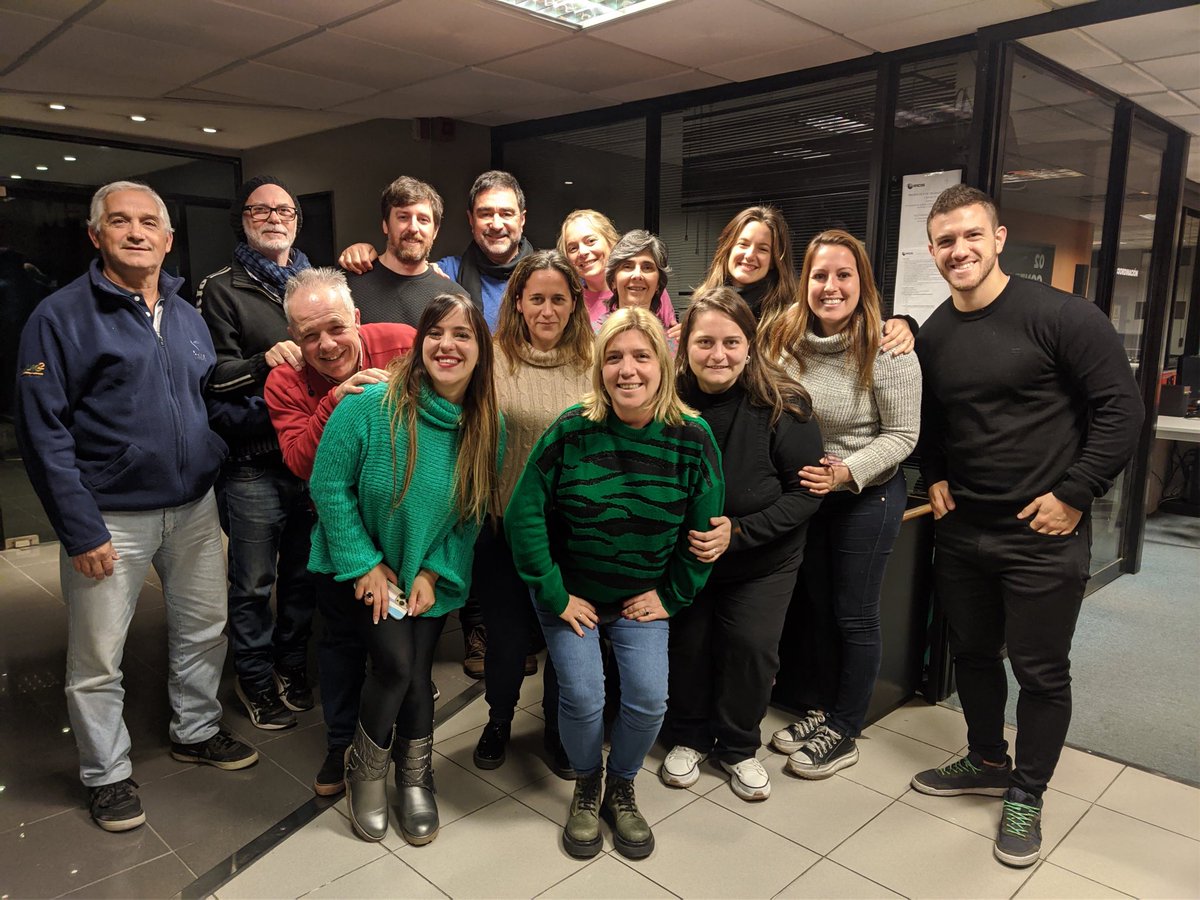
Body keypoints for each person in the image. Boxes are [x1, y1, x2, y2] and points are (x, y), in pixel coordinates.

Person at [14, 181, 257, 833]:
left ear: (168, 239)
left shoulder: (184, 313)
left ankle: (197, 729)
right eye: (119, 222)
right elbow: (44, 435)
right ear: (96, 236)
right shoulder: (60, 317)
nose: (136, 232)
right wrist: (78, 525)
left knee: (205, 626)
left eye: (149, 222)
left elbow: (208, 400)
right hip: (110, 517)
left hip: (195, 508)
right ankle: (107, 774)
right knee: (98, 655)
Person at [910, 185, 1142, 867]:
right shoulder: (936, 333)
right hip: (963, 531)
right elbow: (934, 422)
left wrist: (1074, 494)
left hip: (1043, 534)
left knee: (1042, 672)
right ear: (932, 251)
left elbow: (1121, 413)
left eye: (972, 236)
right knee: (974, 656)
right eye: (947, 241)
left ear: (999, 237)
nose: (960, 250)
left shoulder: (1064, 317)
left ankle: (1027, 792)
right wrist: (935, 475)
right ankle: (986, 758)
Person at [505, 307, 724, 861]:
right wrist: (553, 592)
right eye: (614, 357)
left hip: (640, 600)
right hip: (571, 594)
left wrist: (672, 594)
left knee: (649, 701)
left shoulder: (692, 437)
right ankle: (587, 783)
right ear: (600, 367)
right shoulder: (572, 428)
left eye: (641, 356)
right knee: (582, 697)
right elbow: (523, 514)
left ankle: (621, 785)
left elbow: (704, 532)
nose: (628, 369)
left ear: (664, 363)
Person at [307, 293, 503, 845]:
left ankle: (415, 779)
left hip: (421, 576)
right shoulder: (369, 405)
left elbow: (470, 515)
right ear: (419, 345)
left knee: (417, 675)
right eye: (436, 333)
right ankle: (364, 774)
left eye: (463, 335)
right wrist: (366, 565)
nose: (448, 344)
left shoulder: (487, 426)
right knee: (395, 666)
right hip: (362, 565)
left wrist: (433, 574)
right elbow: (328, 486)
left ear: (480, 351)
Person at [339, 171, 533, 676]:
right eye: (403, 217)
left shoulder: (532, 277)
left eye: (423, 219)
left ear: (522, 219)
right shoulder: (442, 276)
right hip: (382, 442)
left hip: (478, 428)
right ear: (469, 222)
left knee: (467, 530)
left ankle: (476, 635)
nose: (496, 222)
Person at [764, 229, 921, 779]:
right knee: (816, 607)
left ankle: (846, 726)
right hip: (808, 495)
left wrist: (847, 472)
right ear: (805, 282)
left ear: (862, 282)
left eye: (843, 275)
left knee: (854, 614)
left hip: (867, 494)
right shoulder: (783, 338)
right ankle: (821, 708)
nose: (831, 286)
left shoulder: (888, 347)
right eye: (820, 275)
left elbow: (903, 435)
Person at [661, 287, 824, 802]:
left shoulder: (785, 404)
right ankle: (688, 736)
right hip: (686, 558)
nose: (718, 355)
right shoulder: (664, 401)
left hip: (762, 560)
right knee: (688, 648)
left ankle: (736, 747)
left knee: (751, 649)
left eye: (731, 342)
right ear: (684, 345)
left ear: (751, 346)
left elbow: (805, 495)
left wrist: (739, 532)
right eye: (705, 342)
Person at [263, 267, 415, 797]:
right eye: (308, 336)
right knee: (342, 637)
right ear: (293, 338)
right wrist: (336, 400)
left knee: (402, 645)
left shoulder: (401, 342)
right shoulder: (285, 380)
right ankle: (339, 742)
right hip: (334, 530)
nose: (325, 345)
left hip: (404, 524)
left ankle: (402, 744)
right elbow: (300, 461)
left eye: (335, 328)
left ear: (356, 318)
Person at [196, 175, 316, 731]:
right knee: (251, 584)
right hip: (252, 465)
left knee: (301, 576)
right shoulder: (220, 288)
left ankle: (291, 666)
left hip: (312, 459)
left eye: (284, 210)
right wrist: (264, 362)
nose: (273, 217)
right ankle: (255, 678)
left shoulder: (316, 286)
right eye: (260, 209)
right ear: (242, 219)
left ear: (296, 220)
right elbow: (211, 382)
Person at [471, 250, 593, 780]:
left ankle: (555, 729)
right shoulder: (491, 360)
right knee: (507, 639)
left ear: (574, 305)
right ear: (517, 302)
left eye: (558, 300)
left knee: (569, 639)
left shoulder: (595, 362)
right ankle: (498, 720)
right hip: (501, 528)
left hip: (570, 533)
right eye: (536, 298)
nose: (547, 310)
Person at [697, 205, 916, 353]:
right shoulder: (703, 304)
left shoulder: (792, 310)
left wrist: (903, 323)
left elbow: (856, 317)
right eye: (743, 244)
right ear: (727, 249)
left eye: (763, 249)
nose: (750, 255)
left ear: (774, 259)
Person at [347, 176, 463, 327]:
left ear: (435, 231)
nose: (413, 228)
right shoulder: (347, 287)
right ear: (386, 225)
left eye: (423, 220)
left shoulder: (454, 299)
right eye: (403, 217)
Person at [558, 209, 677, 331]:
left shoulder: (644, 288)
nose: (582, 252)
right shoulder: (571, 301)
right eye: (572, 248)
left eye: (591, 241)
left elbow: (671, 333)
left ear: (611, 241)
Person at [594, 230, 678, 351]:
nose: (637, 275)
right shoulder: (589, 338)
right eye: (627, 266)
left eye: (647, 267)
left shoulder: (673, 344)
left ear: (658, 284)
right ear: (613, 282)